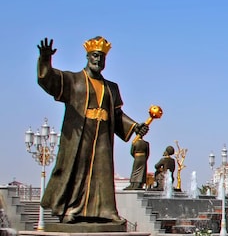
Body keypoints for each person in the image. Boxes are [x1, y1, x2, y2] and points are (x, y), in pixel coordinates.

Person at [37, 36, 148, 224]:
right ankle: (71, 209)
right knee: (76, 170)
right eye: (95, 56)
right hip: (79, 136)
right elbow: (49, 80)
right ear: (88, 57)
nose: (98, 60)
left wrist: (135, 126)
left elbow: (117, 114)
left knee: (103, 173)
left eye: (102, 57)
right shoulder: (73, 80)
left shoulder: (111, 88)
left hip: (102, 137)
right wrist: (45, 60)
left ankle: (107, 211)